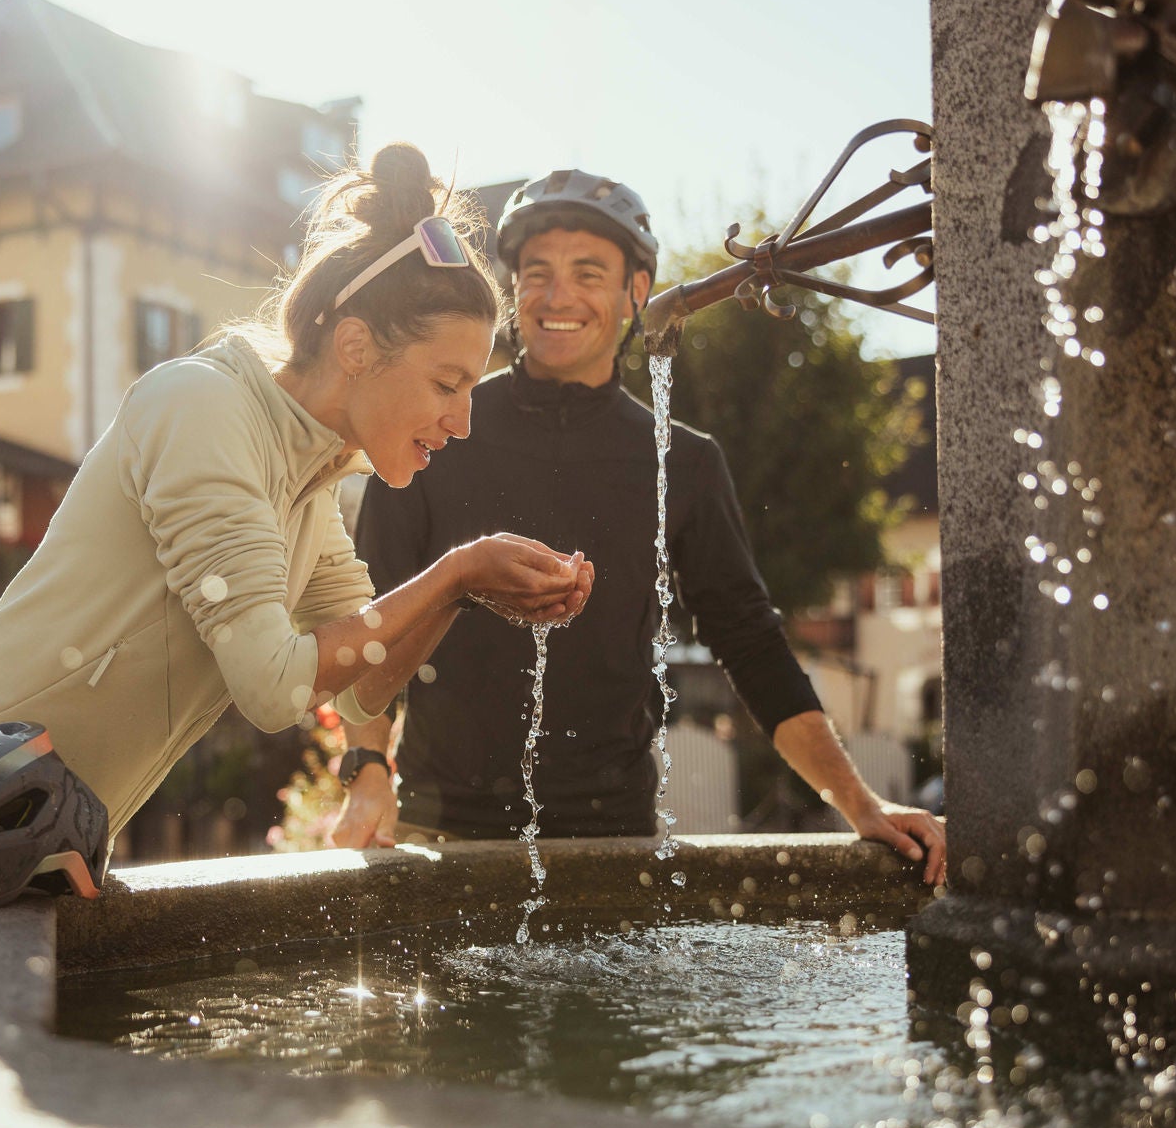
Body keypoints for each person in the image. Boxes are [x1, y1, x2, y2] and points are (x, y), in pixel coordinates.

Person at [0, 144, 594, 894]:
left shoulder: (308, 476)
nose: (462, 421)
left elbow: (360, 690)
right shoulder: (203, 409)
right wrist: (455, 570)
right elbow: (273, 685)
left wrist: (462, 594)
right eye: (447, 383)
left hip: (16, 838)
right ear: (355, 346)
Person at [330, 169, 945, 884]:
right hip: (439, 831)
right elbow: (371, 615)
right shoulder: (435, 430)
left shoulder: (684, 462)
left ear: (637, 290)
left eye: (588, 273)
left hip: (614, 841)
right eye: (537, 274)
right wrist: (367, 766)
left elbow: (751, 642)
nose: (557, 297)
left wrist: (858, 802)